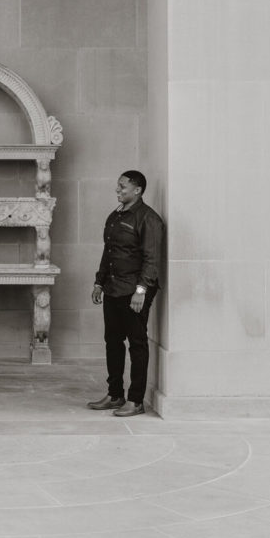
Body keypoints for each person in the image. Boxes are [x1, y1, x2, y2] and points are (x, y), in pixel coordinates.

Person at [87, 170, 164, 417]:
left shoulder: (148, 218)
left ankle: (136, 400)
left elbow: (152, 259)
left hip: (135, 292)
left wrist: (141, 290)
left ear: (137, 190)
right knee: (113, 343)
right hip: (113, 289)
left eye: (122, 187)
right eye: (118, 186)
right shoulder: (115, 216)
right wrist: (99, 282)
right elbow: (107, 253)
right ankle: (115, 395)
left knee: (137, 344)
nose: (117, 190)